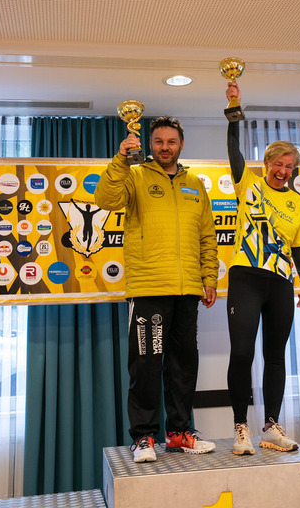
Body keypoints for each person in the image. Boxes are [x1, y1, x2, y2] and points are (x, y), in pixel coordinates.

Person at [94, 116, 219, 463]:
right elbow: (105, 198)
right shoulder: (134, 176)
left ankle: (179, 432)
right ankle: (144, 437)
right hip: (148, 287)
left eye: (171, 142)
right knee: (146, 366)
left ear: (181, 145)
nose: (165, 147)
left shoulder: (195, 184)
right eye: (159, 141)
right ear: (150, 144)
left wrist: (209, 277)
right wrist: (121, 159)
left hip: (187, 289)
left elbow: (207, 235)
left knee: (183, 366)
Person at [225, 81, 300, 456]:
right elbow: (233, 148)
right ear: (266, 164)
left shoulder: (296, 202)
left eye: (289, 166)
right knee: (242, 352)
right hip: (246, 276)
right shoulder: (247, 184)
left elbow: (299, 246)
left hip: (280, 282)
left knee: (276, 356)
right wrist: (234, 107)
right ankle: (240, 428)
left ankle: (271, 427)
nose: (283, 170)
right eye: (278, 164)